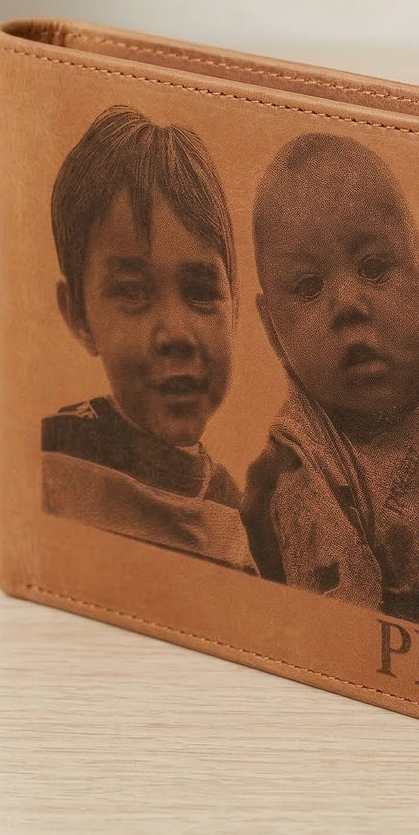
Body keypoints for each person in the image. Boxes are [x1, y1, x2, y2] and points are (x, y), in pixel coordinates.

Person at [243, 132, 419, 632]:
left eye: (374, 267)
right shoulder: (296, 468)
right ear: (273, 330)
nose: (348, 304)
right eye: (308, 286)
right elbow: (339, 631)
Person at [41, 105, 256, 572]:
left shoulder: (236, 517)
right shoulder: (57, 462)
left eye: (201, 292)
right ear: (78, 313)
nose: (175, 334)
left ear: (235, 306)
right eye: (134, 292)